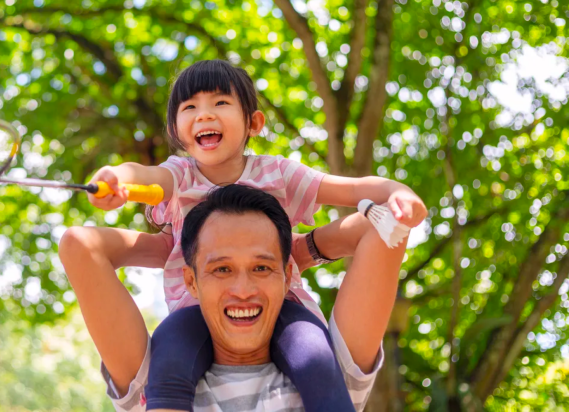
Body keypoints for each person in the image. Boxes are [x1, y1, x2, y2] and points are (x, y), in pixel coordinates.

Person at [62, 59, 426, 411]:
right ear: (175, 130)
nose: (205, 114)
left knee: (317, 361)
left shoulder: (278, 174)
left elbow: (350, 189)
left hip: (285, 308)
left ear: (253, 122)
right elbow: (143, 175)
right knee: (168, 367)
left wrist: (399, 195)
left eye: (220, 102)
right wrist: (117, 179)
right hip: (193, 314)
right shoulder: (180, 175)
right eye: (190, 107)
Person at [59, 184, 411, 411]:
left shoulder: (327, 369)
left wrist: (305, 250)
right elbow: (81, 246)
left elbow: (380, 229)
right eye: (222, 270)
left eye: (261, 268)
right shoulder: (158, 374)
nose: (243, 290)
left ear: (287, 277)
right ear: (191, 282)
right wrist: (165, 246)